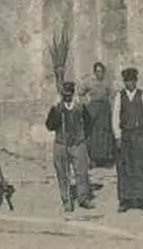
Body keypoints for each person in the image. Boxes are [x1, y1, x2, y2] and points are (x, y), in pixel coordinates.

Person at [46, 81, 96, 213]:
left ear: (73, 94)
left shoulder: (80, 107)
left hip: (77, 144)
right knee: (62, 173)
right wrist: (54, 110)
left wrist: (83, 138)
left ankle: (83, 198)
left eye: (69, 95)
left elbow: (89, 123)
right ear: (62, 95)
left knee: (82, 172)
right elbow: (49, 126)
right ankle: (66, 200)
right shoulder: (57, 108)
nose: (67, 98)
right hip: (61, 144)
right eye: (65, 95)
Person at [110, 67, 143, 213]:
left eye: (132, 81)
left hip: (139, 135)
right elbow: (115, 117)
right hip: (125, 136)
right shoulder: (119, 96)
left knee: (140, 166)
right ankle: (125, 200)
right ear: (124, 82)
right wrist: (117, 136)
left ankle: (142, 200)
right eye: (127, 81)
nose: (130, 84)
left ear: (136, 81)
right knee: (125, 167)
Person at [82, 62, 115, 167]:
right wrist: (86, 104)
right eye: (97, 71)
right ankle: (93, 160)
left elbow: (112, 94)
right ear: (94, 72)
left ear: (104, 72)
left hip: (104, 111)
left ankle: (105, 159)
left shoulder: (107, 83)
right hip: (93, 110)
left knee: (105, 134)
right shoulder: (89, 82)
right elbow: (81, 93)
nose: (99, 74)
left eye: (101, 71)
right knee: (93, 134)